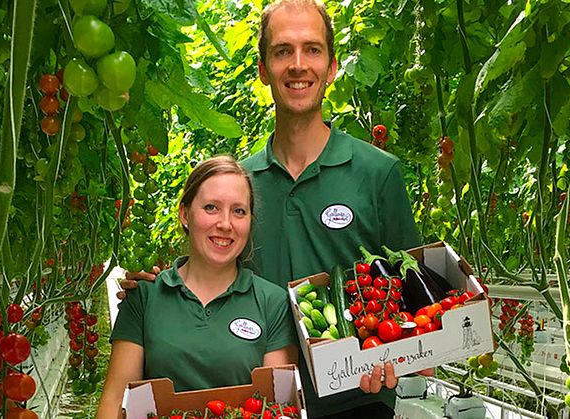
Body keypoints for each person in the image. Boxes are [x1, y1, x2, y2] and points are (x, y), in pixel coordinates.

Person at [122, 0, 422, 417]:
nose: (298, 65)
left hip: (356, 397)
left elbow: (411, 287)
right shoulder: (241, 190)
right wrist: (160, 293)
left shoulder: (378, 173)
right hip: (259, 402)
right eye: (283, 51)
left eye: (312, 50)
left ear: (332, 67)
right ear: (263, 69)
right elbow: (214, 273)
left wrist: (395, 357)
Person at [97, 156, 298, 418]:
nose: (225, 224)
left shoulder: (273, 302)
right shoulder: (145, 296)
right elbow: (114, 401)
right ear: (185, 215)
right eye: (211, 207)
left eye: (239, 211)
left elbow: (277, 405)